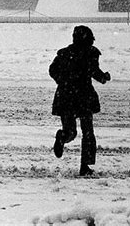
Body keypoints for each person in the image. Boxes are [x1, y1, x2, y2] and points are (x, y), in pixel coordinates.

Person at [49, 25, 111, 177]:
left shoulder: (64, 53)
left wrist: (63, 82)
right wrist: (104, 78)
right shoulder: (91, 53)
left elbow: (52, 70)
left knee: (70, 130)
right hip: (84, 96)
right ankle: (85, 167)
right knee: (88, 132)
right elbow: (93, 71)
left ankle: (62, 137)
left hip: (65, 96)